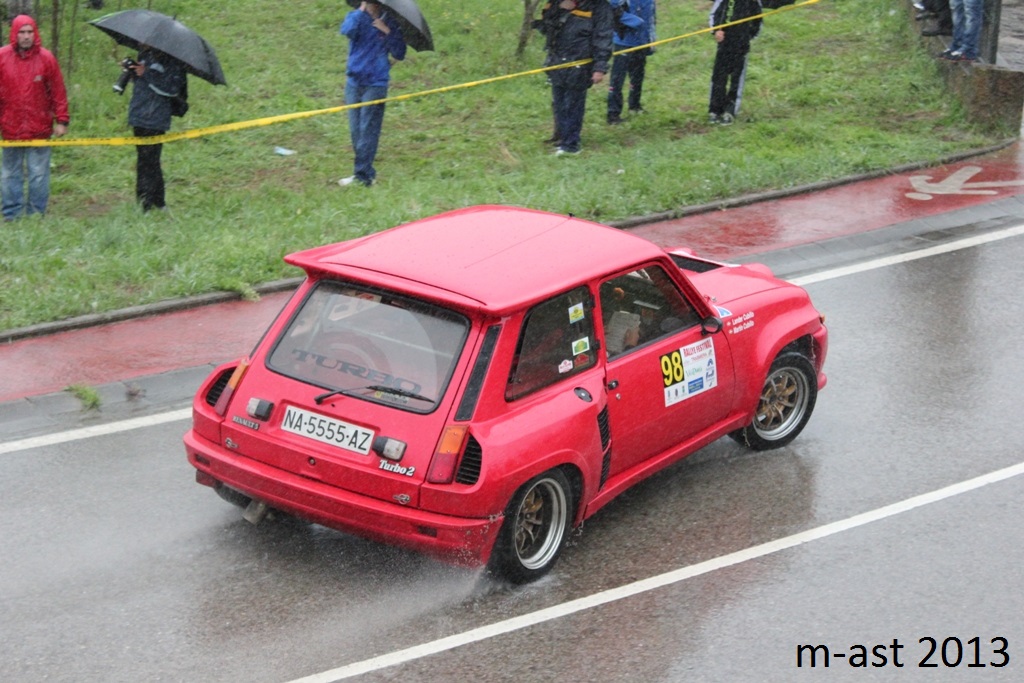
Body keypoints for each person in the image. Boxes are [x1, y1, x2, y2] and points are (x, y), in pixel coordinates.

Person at [0, 15, 69, 222]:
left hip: (40, 128)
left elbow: (58, 91)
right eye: (22, 32)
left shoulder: (46, 58)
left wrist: (62, 120)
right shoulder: (2, 57)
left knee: (38, 174)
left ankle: (36, 214)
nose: (26, 36)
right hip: (10, 128)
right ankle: (11, 214)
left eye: (30, 32)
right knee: (9, 174)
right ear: (14, 33)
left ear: (35, 33)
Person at [339, 1, 407, 188]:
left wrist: (387, 32)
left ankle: (363, 176)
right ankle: (364, 173)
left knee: (368, 129)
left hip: (376, 84)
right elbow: (347, 31)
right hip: (354, 82)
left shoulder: (390, 22)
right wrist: (361, 12)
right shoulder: (356, 17)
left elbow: (400, 53)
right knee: (356, 130)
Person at [535, 0, 613, 155]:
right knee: (559, 104)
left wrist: (600, 67)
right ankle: (562, 139)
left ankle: (571, 144)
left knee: (573, 105)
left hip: (580, 62)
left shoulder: (600, 6)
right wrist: (559, 9)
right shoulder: (556, 3)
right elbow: (545, 27)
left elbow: (603, 36)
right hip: (557, 60)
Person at [126, 46, 184, 212]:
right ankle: (155, 201)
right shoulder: (144, 54)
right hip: (138, 115)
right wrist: (132, 72)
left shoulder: (173, 62)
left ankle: (148, 203)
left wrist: (146, 73)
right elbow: (141, 83)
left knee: (150, 160)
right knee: (145, 159)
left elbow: (171, 89)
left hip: (156, 118)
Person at [707, 0, 762, 126]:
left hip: (741, 45)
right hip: (724, 44)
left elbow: (758, 20)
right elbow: (714, 14)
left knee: (736, 78)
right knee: (718, 76)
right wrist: (715, 30)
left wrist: (748, 36)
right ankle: (715, 110)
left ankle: (730, 111)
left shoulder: (753, 2)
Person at [606, 0, 656, 125]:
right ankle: (613, 113)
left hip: (642, 41)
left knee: (638, 75)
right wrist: (630, 20)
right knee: (618, 78)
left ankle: (635, 105)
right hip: (623, 41)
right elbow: (610, 7)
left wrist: (651, 39)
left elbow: (651, 16)